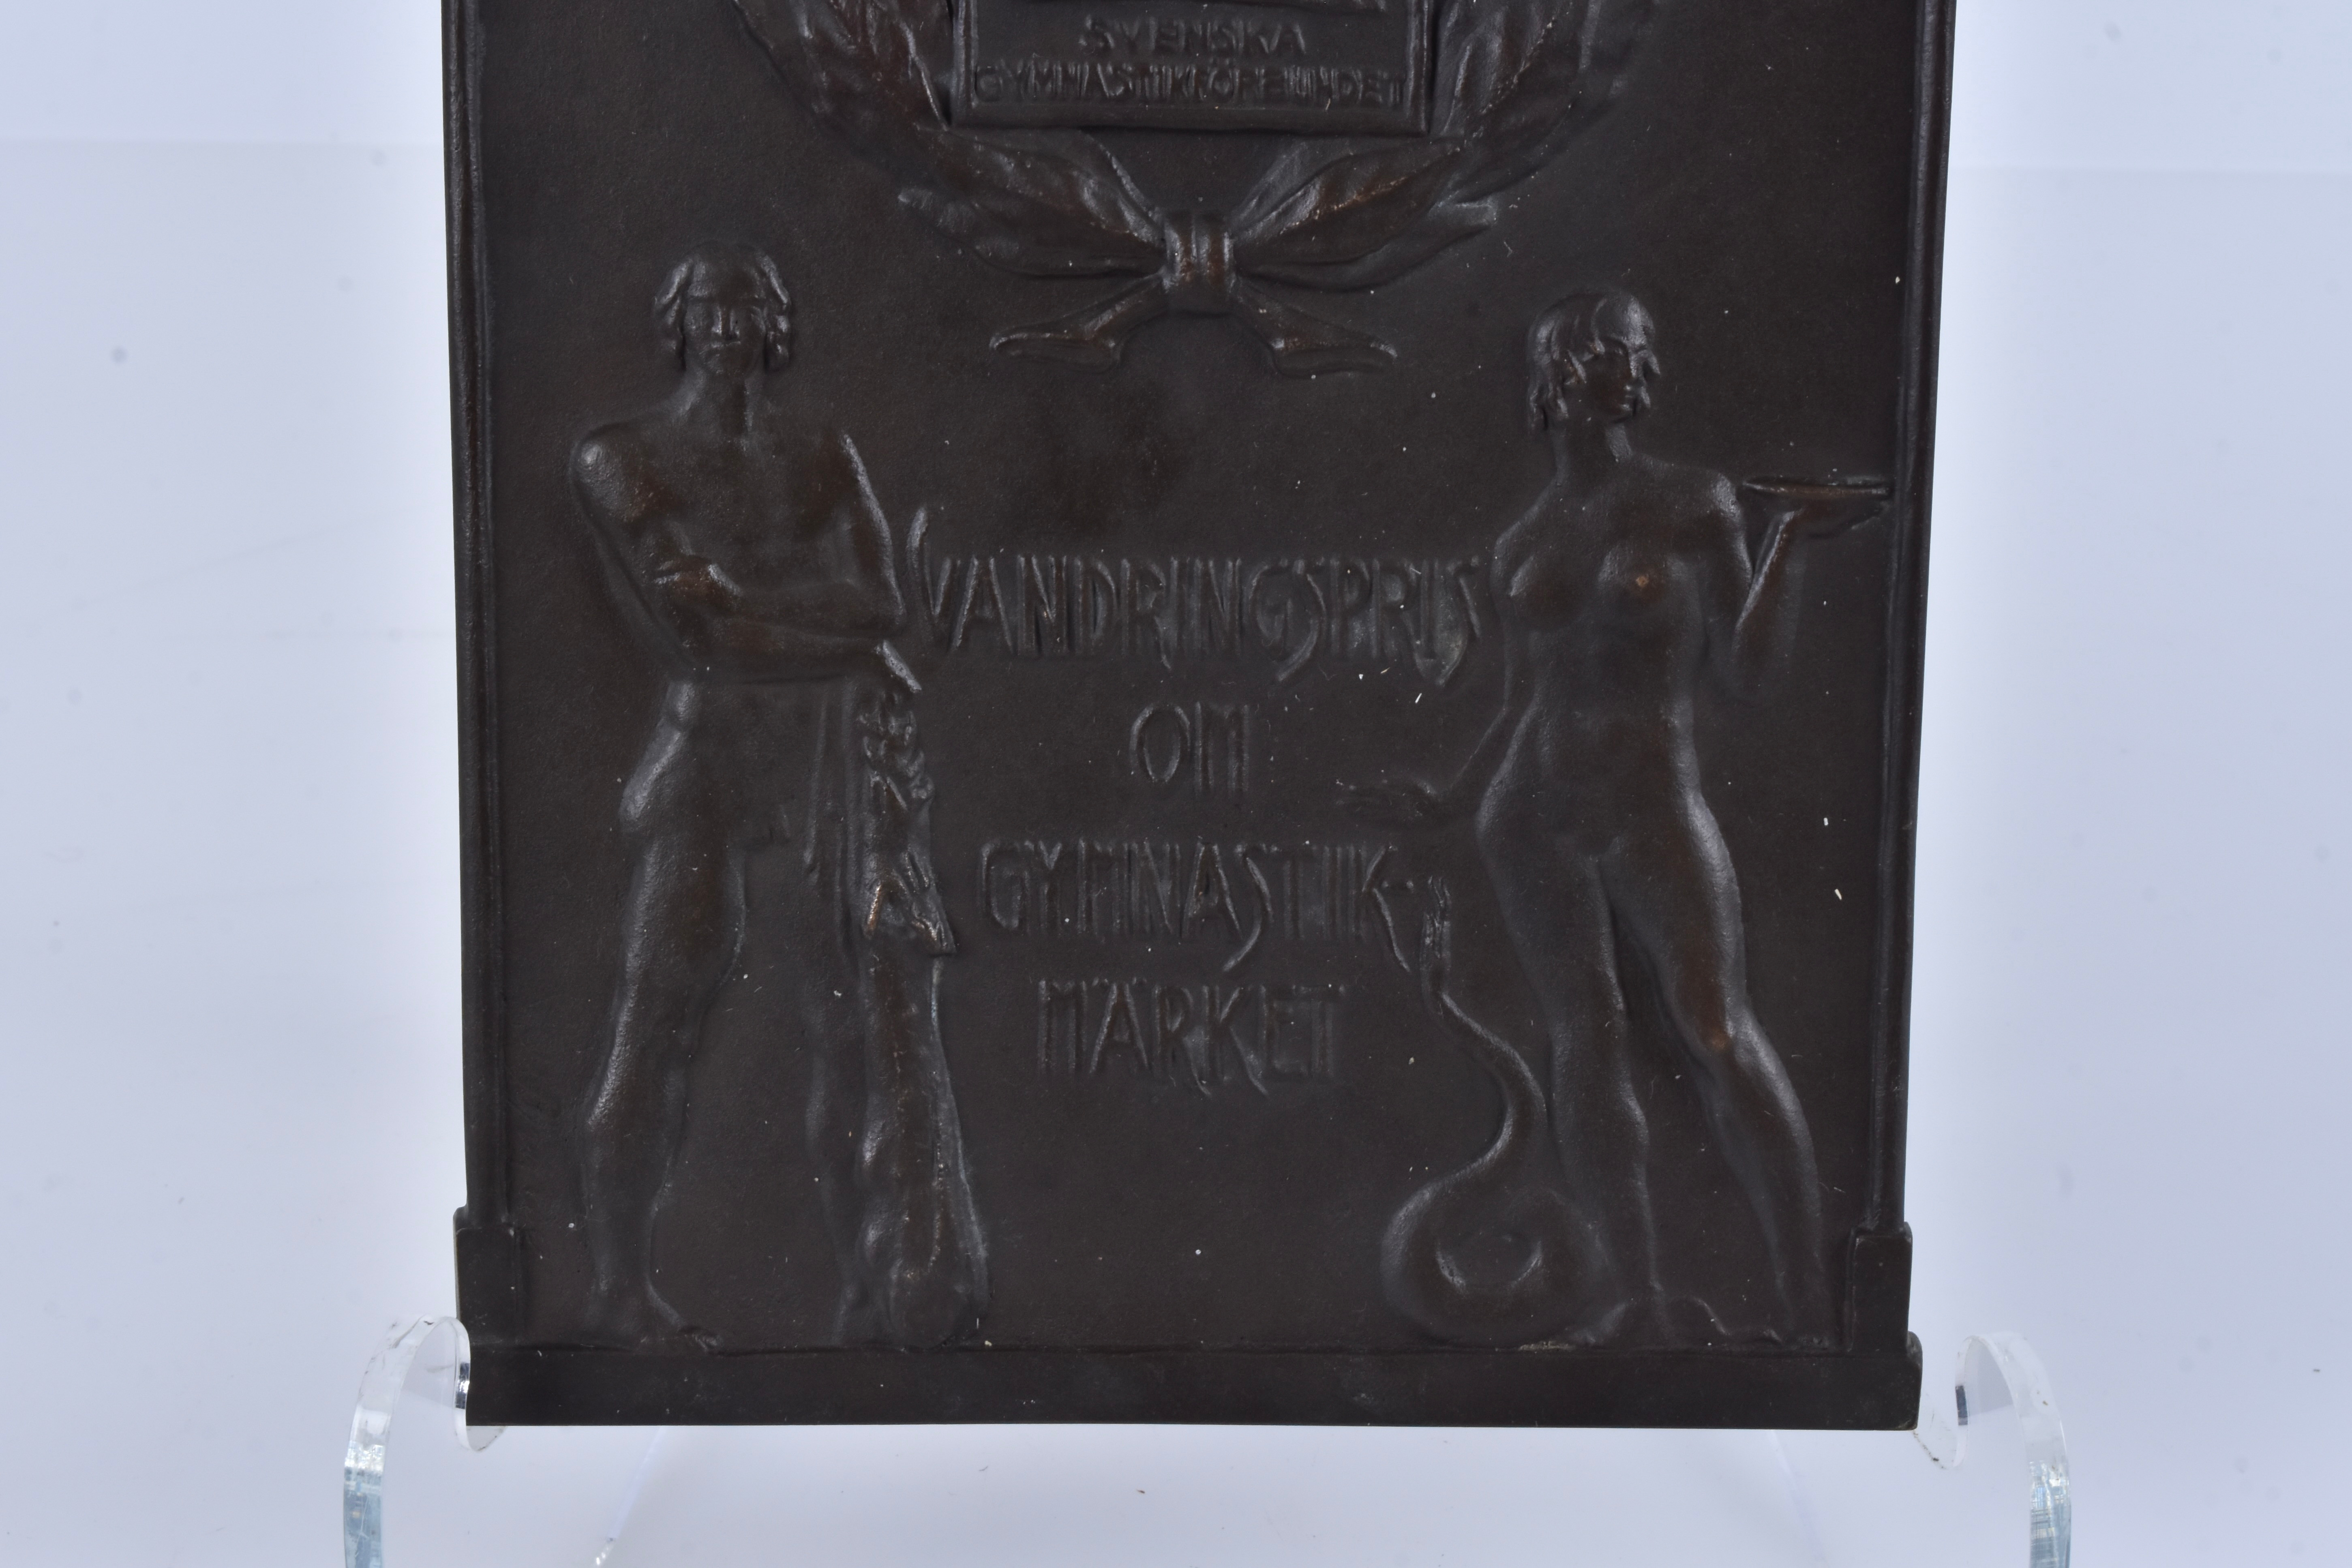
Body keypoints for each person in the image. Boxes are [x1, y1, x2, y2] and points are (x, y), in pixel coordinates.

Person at [1350, 291, 1875, 1345]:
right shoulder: (1523, 541)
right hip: (1531, 815)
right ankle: (1637, 1302)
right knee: (1584, 1045)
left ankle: (1809, 1314)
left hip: (1649, 803)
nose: (1641, 373)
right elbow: (1521, 697)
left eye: (1644, 355)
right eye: (1619, 355)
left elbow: (1747, 672)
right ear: (1565, 372)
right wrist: (1449, 795)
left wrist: (1786, 540)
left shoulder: (1693, 503)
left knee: (1715, 1028)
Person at [570, 242, 985, 1350]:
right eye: (708, 308)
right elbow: (699, 634)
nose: (726, 329)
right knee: (657, 1020)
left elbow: (883, 605)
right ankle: (615, 1294)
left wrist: (750, 605)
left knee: (850, 1031)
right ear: (677, 321)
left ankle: (867, 1296)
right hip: (707, 761)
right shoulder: (624, 457)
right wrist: (822, 629)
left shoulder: (818, 450)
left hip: (823, 761)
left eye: (745, 308)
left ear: (775, 323)